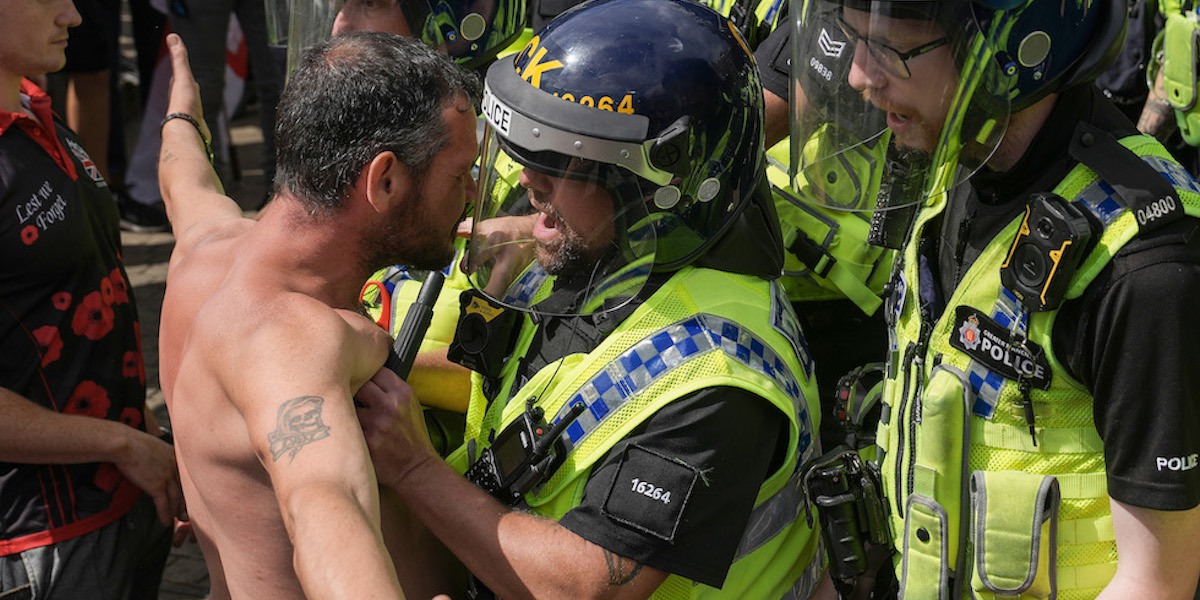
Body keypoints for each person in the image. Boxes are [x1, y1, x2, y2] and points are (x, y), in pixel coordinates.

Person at [354, 0, 827, 597]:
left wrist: (415, 468)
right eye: (524, 150)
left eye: (560, 159)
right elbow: (559, 401)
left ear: (659, 180)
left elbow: (586, 585)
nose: (528, 180)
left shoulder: (719, 375)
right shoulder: (602, 256)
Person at [791, 0, 1200, 597]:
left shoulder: (1146, 267)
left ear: (1014, 49)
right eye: (852, 39)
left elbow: (1158, 581)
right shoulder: (953, 162)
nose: (857, 74)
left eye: (889, 46)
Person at [156, 28, 480, 599]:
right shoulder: (290, 337)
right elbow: (325, 506)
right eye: (459, 176)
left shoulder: (206, 250)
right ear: (384, 180)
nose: (475, 194)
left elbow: (185, 178)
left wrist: (182, 118)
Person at [0, 0, 183, 597]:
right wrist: (120, 443)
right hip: (38, 541)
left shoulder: (36, 111)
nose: (74, 15)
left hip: (120, 503)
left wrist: (144, 435)